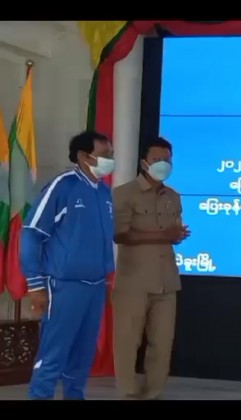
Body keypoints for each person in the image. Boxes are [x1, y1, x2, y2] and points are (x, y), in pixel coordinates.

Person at [22, 131, 116, 400]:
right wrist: (35, 284)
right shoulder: (63, 187)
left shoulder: (103, 192)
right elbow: (31, 234)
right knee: (53, 354)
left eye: (111, 154)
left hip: (95, 286)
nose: (110, 159)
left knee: (82, 356)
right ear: (84, 156)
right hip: (63, 286)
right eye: (105, 154)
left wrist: (106, 278)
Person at [112, 136, 189, 400]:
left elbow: (173, 230)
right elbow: (120, 234)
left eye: (167, 160)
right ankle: (128, 393)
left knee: (162, 343)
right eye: (157, 159)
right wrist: (163, 235)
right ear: (144, 162)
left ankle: (153, 393)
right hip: (133, 281)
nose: (163, 164)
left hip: (166, 280)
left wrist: (177, 235)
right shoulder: (124, 194)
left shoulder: (173, 196)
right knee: (127, 341)